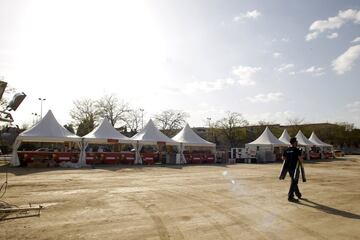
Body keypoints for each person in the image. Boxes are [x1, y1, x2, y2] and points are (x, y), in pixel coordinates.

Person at [281, 137, 304, 202]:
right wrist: (301, 156)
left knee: (294, 180)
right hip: (295, 168)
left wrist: (289, 159)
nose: (297, 142)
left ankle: (298, 194)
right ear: (294, 142)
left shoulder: (286, 149)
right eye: (296, 141)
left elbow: (283, 158)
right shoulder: (297, 150)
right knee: (294, 182)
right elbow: (301, 160)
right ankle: (290, 196)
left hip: (288, 168)